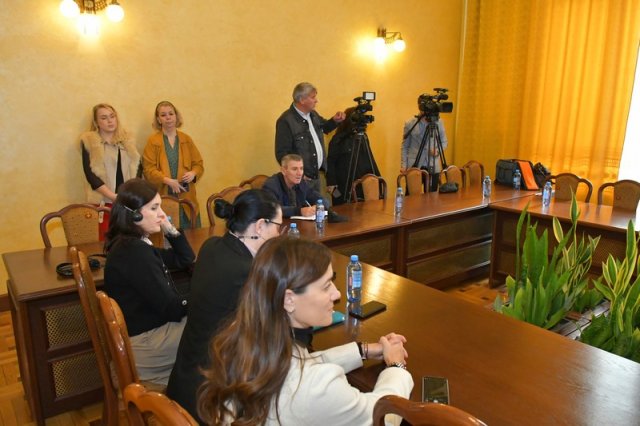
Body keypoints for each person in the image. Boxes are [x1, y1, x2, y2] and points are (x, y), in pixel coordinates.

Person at [197, 237, 412, 425]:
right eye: (326, 286)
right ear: (289, 299)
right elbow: (381, 417)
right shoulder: (313, 386)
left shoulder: (243, 335)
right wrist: (396, 366)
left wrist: (363, 350)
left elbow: (302, 362)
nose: (337, 294)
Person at [166, 189, 283, 423]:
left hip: (183, 381)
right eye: (278, 226)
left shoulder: (211, 246)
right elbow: (268, 331)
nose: (279, 234)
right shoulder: (247, 272)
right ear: (260, 226)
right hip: (210, 399)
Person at [104, 178, 194, 385]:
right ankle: (197, 390)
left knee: (214, 325)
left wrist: (168, 228)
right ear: (134, 215)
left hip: (146, 336)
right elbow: (172, 309)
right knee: (218, 327)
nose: (162, 214)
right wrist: (204, 296)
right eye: (154, 208)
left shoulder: (132, 244)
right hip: (147, 344)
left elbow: (185, 258)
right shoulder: (135, 253)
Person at [80, 103, 141, 239]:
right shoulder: (89, 141)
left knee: (130, 241)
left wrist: (129, 195)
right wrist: (113, 197)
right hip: (103, 202)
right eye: (104, 118)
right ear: (96, 122)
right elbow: (90, 174)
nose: (110, 121)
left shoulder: (127, 139)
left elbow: (137, 168)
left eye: (112, 116)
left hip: (127, 202)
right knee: (107, 242)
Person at [274, 82, 346, 193]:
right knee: (302, 205)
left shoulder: (313, 114)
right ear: (302, 100)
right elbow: (282, 153)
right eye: (313, 97)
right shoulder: (286, 121)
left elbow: (324, 127)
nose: (316, 100)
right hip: (300, 180)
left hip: (315, 176)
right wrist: (298, 174)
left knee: (316, 204)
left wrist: (334, 121)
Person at [143, 101, 204, 227]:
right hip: (164, 197)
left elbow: (198, 164)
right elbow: (148, 170)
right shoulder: (153, 141)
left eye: (171, 114)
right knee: (167, 234)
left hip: (187, 197)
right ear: (158, 119)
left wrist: (193, 173)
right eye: (163, 115)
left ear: (176, 116)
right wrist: (168, 181)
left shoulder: (186, 139)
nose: (168, 117)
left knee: (191, 235)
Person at [263, 154, 347, 222]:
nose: (299, 173)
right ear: (283, 171)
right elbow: (272, 209)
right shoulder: (271, 185)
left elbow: (320, 199)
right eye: (294, 169)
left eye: (301, 168)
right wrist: (300, 211)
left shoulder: (301, 183)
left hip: (299, 226)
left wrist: (318, 206)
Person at [326, 107, 381, 205]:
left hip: (361, 184)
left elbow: (370, 159)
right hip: (343, 185)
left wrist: (377, 181)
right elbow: (330, 162)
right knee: (342, 207)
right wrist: (331, 184)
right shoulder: (338, 139)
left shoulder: (363, 138)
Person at [401, 99, 448, 192]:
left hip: (433, 164)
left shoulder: (439, 122)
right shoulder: (410, 123)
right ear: (420, 107)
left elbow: (444, 142)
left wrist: (437, 151)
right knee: (411, 196)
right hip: (414, 165)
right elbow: (405, 146)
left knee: (432, 196)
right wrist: (403, 165)